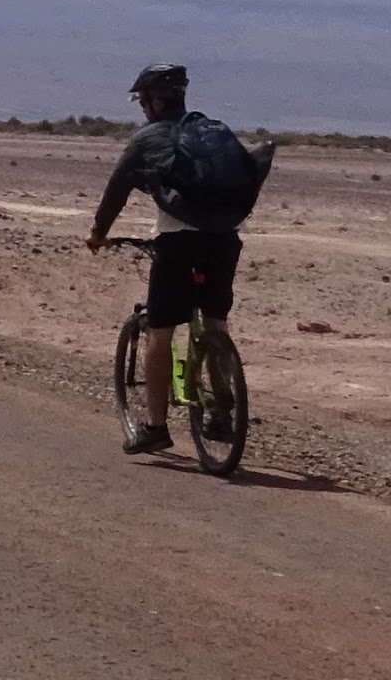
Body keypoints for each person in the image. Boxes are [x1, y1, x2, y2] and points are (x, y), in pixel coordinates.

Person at [87, 64, 274, 453]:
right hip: (224, 240)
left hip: (178, 244)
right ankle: (221, 408)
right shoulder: (210, 130)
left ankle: (155, 427)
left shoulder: (148, 138)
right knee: (216, 321)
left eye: (142, 101)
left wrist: (98, 234)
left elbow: (116, 190)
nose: (141, 108)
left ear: (155, 101)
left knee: (161, 330)